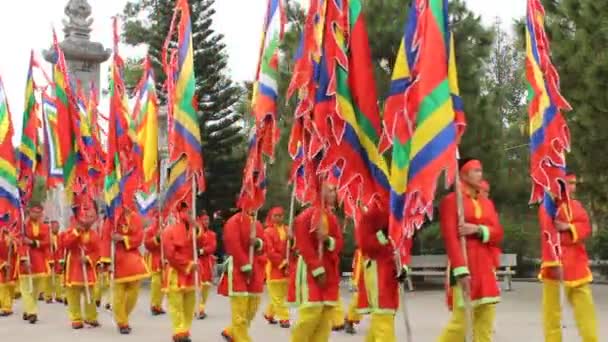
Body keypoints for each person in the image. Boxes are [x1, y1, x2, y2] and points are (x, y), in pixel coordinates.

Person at [437, 158, 504, 342]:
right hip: (466, 264)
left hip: (486, 266)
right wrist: (461, 270)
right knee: (462, 322)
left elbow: (498, 233)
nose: (479, 174)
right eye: (475, 170)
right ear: (463, 175)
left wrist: (477, 229)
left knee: (486, 320)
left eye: (480, 170)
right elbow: (451, 238)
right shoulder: (451, 201)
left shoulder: (487, 203)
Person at [539, 171, 598, 342]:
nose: (572, 187)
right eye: (569, 183)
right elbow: (547, 235)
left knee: (585, 311)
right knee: (552, 313)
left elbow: (585, 228)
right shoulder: (548, 207)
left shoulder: (577, 206)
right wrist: (553, 262)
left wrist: (567, 228)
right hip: (554, 266)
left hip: (577, 265)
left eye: (574, 183)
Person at [290, 182, 344, 342]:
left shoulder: (331, 217)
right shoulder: (305, 217)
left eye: (335, 190)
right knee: (310, 313)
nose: (334, 194)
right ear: (320, 192)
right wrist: (318, 270)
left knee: (325, 317)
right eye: (330, 190)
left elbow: (339, 242)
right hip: (309, 270)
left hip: (330, 271)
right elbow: (304, 246)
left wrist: (327, 240)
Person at [357, 204, 407, 342]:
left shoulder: (401, 211)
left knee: (383, 319)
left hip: (392, 274)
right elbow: (364, 244)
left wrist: (404, 266)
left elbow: (405, 242)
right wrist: (383, 234)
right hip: (377, 273)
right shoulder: (372, 214)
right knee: (383, 317)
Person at [218, 209, 266, 342]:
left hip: (256, 268)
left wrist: (257, 243)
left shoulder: (257, 224)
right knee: (239, 311)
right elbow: (233, 245)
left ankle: (231, 332)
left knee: (252, 308)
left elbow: (264, 245)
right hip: (238, 269)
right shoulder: (233, 222)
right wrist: (245, 266)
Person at [101, 205, 149, 334]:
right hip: (116, 259)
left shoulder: (135, 217)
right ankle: (122, 322)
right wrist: (106, 260)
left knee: (133, 295)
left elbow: (139, 238)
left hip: (133, 260)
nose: (131, 202)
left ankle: (122, 317)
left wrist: (123, 238)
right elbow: (105, 239)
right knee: (118, 295)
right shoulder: (111, 218)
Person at [162, 202, 198, 342]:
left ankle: (185, 330)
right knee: (176, 305)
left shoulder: (195, 231)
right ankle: (179, 331)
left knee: (189, 305)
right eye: (188, 213)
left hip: (191, 273)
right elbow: (171, 255)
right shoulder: (169, 231)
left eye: (191, 213)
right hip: (176, 272)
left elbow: (203, 244)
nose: (191, 216)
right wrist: (187, 265)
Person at [63, 201, 101, 329]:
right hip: (73, 267)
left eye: (91, 217)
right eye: (85, 217)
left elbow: (97, 251)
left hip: (88, 269)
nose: (88, 220)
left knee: (90, 294)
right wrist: (76, 233)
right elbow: (66, 244)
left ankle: (91, 317)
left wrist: (89, 258)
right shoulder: (70, 231)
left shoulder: (94, 235)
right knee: (73, 296)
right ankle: (76, 318)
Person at [19, 202, 51, 324]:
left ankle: (28, 310)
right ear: (29, 212)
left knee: (36, 289)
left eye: (39, 212)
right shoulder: (23, 226)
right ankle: (32, 312)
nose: (37, 214)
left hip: (40, 261)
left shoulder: (45, 227)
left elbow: (47, 242)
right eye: (34, 212)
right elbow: (20, 243)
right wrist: (24, 259)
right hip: (26, 260)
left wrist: (33, 242)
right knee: (26, 288)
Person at [263, 206, 291, 328]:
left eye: (280, 215)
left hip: (287, 266)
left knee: (280, 295)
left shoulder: (287, 229)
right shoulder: (267, 232)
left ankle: (269, 314)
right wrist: (282, 263)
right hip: (273, 267)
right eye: (276, 215)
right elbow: (269, 252)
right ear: (271, 217)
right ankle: (284, 318)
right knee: (277, 296)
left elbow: (293, 247)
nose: (278, 218)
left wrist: (292, 240)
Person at [196, 213, 216, 319]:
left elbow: (212, 247)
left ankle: (202, 307)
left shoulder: (212, 234)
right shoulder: (195, 232)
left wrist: (202, 250)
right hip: (196, 261)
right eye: (204, 220)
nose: (206, 222)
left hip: (206, 262)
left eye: (208, 220)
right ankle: (198, 308)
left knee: (206, 286)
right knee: (197, 285)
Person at [144, 218, 166, 316]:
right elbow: (147, 244)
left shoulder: (167, 229)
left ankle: (158, 305)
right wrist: (157, 238)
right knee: (156, 282)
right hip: (155, 258)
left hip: (165, 259)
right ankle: (153, 305)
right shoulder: (149, 231)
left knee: (163, 283)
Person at [0, 227, 19, 316]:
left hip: (12, 265)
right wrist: (3, 263)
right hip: (2, 265)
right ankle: (6, 307)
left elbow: (17, 250)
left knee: (10, 286)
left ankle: (8, 305)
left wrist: (13, 243)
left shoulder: (13, 237)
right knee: (2, 286)